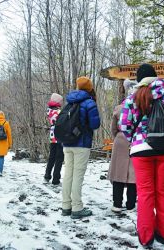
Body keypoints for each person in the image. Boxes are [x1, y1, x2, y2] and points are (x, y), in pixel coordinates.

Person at [119, 64, 164, 248]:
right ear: (156, 78)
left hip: (141, 151)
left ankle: (146, 236)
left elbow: (124, 125)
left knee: (146, 193)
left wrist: (135, 139)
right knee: (163, 192)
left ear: (139, 80)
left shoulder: (133, 98)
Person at [61, 76, 100, 219]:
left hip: (67, 143)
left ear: (77, 87)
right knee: (77, 176)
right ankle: (77, 208)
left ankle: (66, 206)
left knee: (68, 175)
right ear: (89, 88)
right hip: (82, 144)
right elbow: (95, 124)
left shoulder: (69, 101)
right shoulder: (89, 103)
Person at [108, 80, 137, 213]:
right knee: (133, 174)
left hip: (120, 140)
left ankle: (117, 204)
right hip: (136, 140)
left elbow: (113, 129)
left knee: (118, 173)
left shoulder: (119, 108)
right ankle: (131, 204)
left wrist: (119, 137)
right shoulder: (140, 108)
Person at [44, 93, 64, 185]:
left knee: (52, 156)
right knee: (59, 158)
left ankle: (47, 175)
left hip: (52, 135)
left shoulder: (49, 111)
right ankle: (56, 178)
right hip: (59, 135)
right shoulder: (59, 112)